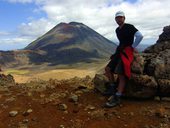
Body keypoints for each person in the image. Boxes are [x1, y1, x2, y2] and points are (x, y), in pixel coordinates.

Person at [104, 11, 143, 108]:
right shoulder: (117, 30)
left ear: (124, 18)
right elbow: (121, 42)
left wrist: (132, 47)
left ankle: (117, 96)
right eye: (117, 18)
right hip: (119, 51)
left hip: (126, 52)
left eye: (120, 17)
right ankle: (112, 89)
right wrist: (115, 53)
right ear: (115, 19)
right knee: (108, 69)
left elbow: (140, 36)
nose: (119, 19)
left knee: (121, 74)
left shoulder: (129, 27)